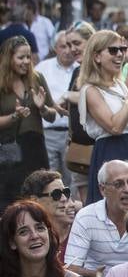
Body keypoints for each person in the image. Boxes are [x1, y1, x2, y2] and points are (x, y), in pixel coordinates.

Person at [78, 30, 128, 204]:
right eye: (113, 50)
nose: (120, 54)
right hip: (111, 151)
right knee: (113, 211)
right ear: (97, 56)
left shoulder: (119, 85)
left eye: (122, 49)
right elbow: (115, 127)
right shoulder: (90, 90)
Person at [0, 36, 56, 212]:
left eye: (28, 57)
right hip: (11, 151)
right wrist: (14, 116)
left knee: (39, 198)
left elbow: (52, 115)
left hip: (36, 147)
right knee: (12, 201)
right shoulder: (2, 83)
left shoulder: (36, 78)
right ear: (9, 58)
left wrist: (43, 109)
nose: (25, 62)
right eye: (20, 57)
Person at [65, 160, 128, 277]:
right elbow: (70, 269)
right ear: (103, 189)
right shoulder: (86, 217)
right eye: (118, 184)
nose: (127, 189)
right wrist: (97, 276)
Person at [36, 30, 81, 186]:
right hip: (49, 132)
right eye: (63, 46)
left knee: (71, 182)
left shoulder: (79, 69)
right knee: (49, 180)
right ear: (55, 47)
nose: (68, 51)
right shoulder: (42, 68)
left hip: (71, 134)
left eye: (71, 46)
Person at [20, 170, 79, 258]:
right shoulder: (31, 239)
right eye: (56, 194)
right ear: (34, 201)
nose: (64, 199)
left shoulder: (83, 228)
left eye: (66, 192)